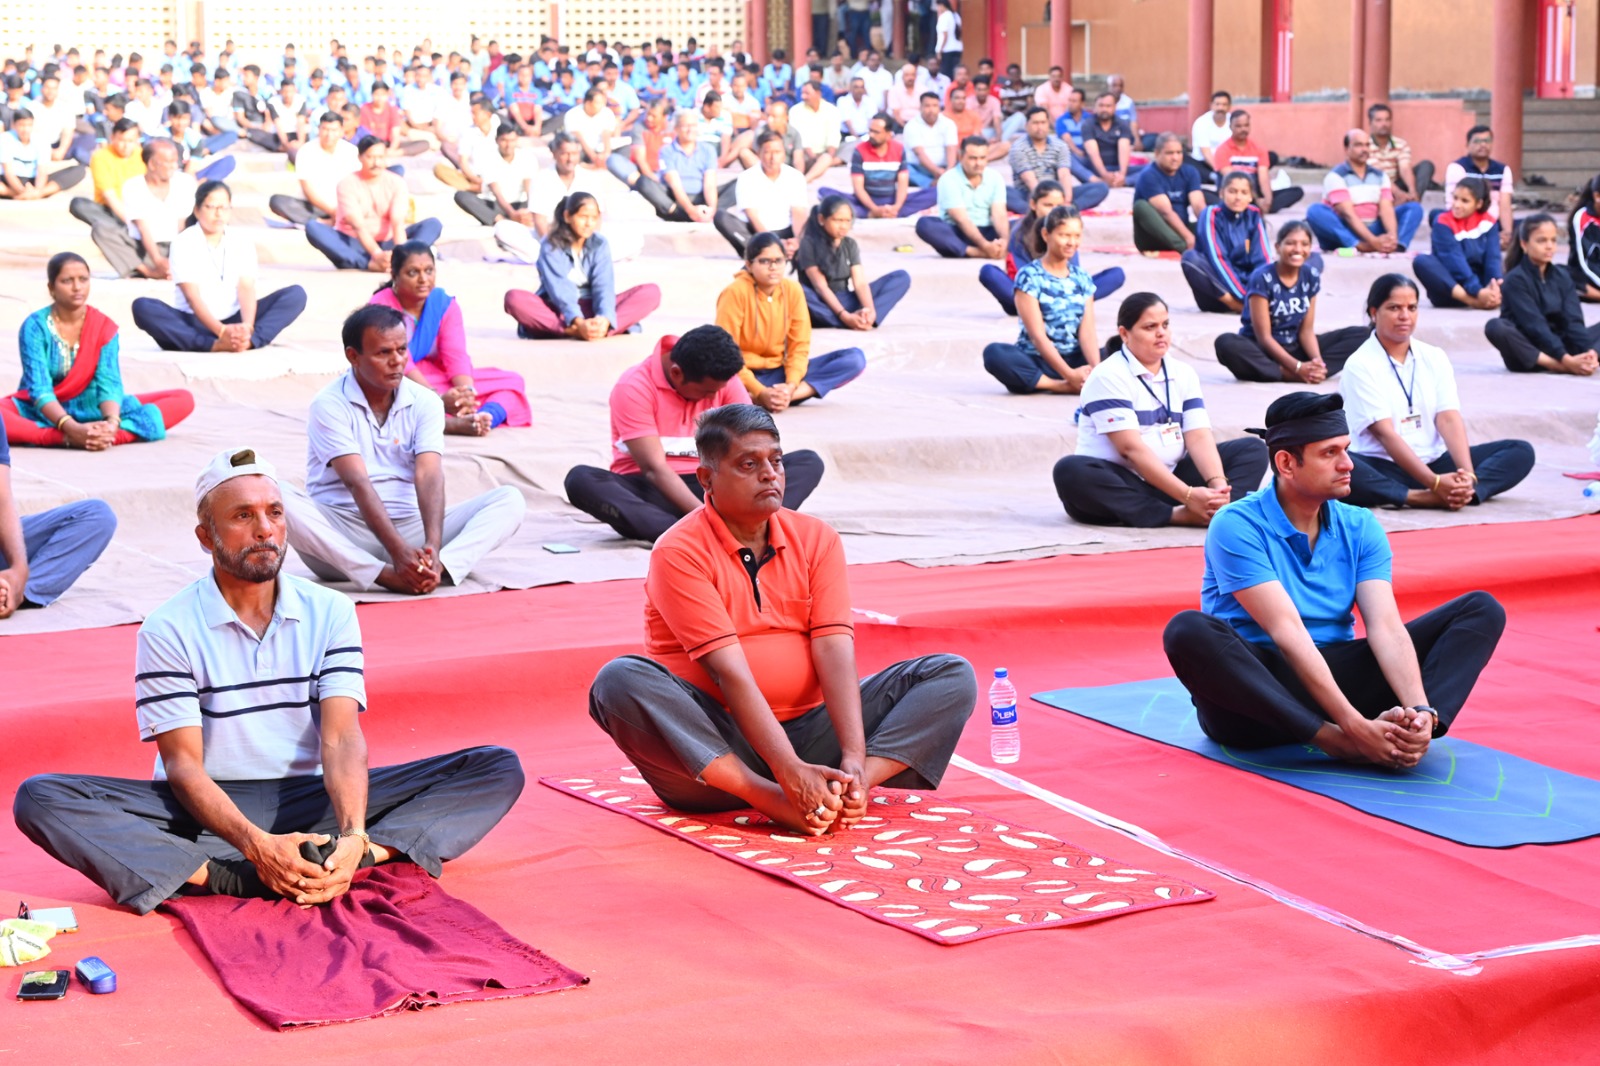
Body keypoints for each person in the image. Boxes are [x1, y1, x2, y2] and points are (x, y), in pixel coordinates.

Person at [13, 445, 524, 911]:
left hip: (312, 796)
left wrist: (351, 834)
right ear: (205, 537)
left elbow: (342, 737)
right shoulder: (168, 626)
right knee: (40, 798)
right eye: (243, 516)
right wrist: (255, 845)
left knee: (495, 767)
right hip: (207, 811)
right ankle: (232, 876)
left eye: (275, 513)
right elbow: (184, 767)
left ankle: (352, 857)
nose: (265, 530)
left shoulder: (331, 610)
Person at [587, 402, 974, 832]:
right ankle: (768, 796)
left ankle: (849, 786)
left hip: (813, 733)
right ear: (706, 479)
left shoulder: (817, 538)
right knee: (619, 680)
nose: (770, 474)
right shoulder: (678, 551)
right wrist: (786, 773)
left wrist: (851, 755)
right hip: (718, 749)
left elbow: (833, 647)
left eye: (776, 461)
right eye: (749, 464)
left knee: (949, 675)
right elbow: (729, 673)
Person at [1161, 391, 1506, 765]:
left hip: (1336, 679)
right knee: (1187, 630)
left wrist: (1419, 707)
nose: (1348, 464)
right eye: (1330, 453)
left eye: (1346, 449)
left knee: (1480, 610)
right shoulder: (1237, 524)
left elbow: (1386, 627)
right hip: (1257, 699)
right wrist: (1351, 730)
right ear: (1286, 463)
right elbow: (1287, 632)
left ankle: (1411, 731)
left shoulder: (1360, 525)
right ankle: (1335, 741)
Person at [284, 305, 525, 594]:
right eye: (383, 353)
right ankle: (381, 575)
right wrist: (397, 553)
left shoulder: (426, 402)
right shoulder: (329, 404)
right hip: (342, 538)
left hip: (411, 528)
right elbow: (357, 482)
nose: (397, 361)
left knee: (509, 500)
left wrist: (433, 548)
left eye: (401, 350)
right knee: (273, 494)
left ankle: (437, 569)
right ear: (353, 356)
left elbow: (429, 477)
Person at [564, 327, 825, 543]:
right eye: (707, 392)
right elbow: (655, 469)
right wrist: (706, 517)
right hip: (653, 490)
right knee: (581, 480)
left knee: (807, 462)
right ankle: (691, 534)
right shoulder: (633, 387)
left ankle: (742, 525)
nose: (714, 398)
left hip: (718, 483)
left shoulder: (725, 381)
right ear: (677, 374)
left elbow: (751, 445)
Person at [1053, 292, 1267, 527]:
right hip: (1124, 483)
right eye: (1150, 326)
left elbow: (1198, 437)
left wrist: (1218, 486)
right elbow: (1130, 450)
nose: (1161, 332)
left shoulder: (1182, 372)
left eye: (1165, 324)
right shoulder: (1108, 376)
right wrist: (1187, 496)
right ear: (1124, 333)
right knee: (1071, 471)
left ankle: (1221, 511)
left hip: (1171, 479)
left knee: (1252, 449)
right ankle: (1177, 515)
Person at [1340, 274, 1534, 510]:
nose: (1405, 316)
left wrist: (1468, 476)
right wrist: (1434, 483)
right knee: (1341, 467)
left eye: (1412, 308)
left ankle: (1465, 493)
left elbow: (1448, 418)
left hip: (1435, 461)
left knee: (1520, 452)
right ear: (1374, 312)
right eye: (1394, 308)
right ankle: (1417, 497)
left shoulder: (1433, 356)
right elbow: (1384, 434)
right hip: (1383, 466)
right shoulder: (1360, 364)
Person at [4, 252, 193, 448]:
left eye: (83, 279)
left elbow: (109, 383)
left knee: (182, 399)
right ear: (51, 287)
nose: (77, 287)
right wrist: (69, 427)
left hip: (92, 407)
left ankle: (106, 436)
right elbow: (39, 389)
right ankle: (64, 438)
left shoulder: (103, 327)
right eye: (67, 281)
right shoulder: (35, 327)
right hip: (42, 410)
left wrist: (111, 423)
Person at [368, 242, 528, 436]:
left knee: (511, 382)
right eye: (413, 273)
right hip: (398, 379)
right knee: (390, 400)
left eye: (429, 271)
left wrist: (465, 394)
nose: (423, 279)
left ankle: (480, 419)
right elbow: (402, 364)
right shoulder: (380, 307)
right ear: (394, 275)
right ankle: (447, 422)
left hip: (437, 376)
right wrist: (436, 399)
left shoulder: (443, 304)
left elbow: (456, 355)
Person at [130, 181, 306, 353]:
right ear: (197, 210)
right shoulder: (184, 242)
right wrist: (221, 332)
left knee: (295, 295)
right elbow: (192, 297)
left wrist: (247, 327)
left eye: (224, 208)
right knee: (143, 307)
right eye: (211, 207)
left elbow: (246, 287)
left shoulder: (241, 241)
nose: (218, 214)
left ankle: (248, 342)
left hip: (235, 319)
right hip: (195, 323)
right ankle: (214, 344)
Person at [716, 232, 867, 411]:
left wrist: (791, 385)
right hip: (742, 375)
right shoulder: (735, 292)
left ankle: (781, 398)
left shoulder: (793, 290)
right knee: (715, 376)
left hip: (778, 374)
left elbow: (799, 346)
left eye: (779, 261)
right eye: (764, 261)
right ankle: (758, 397)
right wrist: (759, 390)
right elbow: (725, 354)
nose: (773, 267)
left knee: (854, 359)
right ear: (749, 264)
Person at [1214, 221, 1369, 383]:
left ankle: (1315, 372)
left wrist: (1317, 362)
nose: (1298, 249)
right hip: (1263, 350)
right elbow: (1264, 338)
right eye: (1290, 243)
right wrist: (1297, 367)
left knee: (1363, 335)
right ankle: (1287, 374)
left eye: (1304, 244)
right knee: (1226, 343)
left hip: (1294, 345)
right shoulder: (1262, 278)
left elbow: (1306, 331)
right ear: (1277, 247)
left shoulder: (1310, 276)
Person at [504, 191, 661, 341]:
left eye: (594, 218)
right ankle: (573, 331)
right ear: (567, 216)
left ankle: (599, 329)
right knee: (514, 298)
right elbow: (560, 290)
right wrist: (577, 322)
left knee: (651, 292)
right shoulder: (550, 245)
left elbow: (603, 286)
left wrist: (604, 318)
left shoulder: (600, 243)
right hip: (558, 309)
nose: (589, 224)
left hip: (593, 308)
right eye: (583, 217)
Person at [982, 204, 1102, 395]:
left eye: (1076, 236)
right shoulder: (1029, 276)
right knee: (995, 354)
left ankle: (1082, 381)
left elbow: (1087, 331)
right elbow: (1037, 336)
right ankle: (1059, 386)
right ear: (1046, 235)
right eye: (1064, 235)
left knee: (1121, 348)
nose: (1072, 242)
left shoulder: (1082, 277)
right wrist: (1070, 376)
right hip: (1037, 361)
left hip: (1075, 357)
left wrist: (1097, 372)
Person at [979, 180, 1125, 314]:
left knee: (1116, 275)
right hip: (1028, 298)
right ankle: (1056, 307)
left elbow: (1074, 274)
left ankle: (1060, 305)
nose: (1053, 211)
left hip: (1064, 293)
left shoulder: (1067, 232)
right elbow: (1021, 276)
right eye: (1048, 205)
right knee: (988, 272)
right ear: (1033, 205)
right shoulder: (1020, 233)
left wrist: (1064, 292)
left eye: (1058, 206)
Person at [1485, 214, 1600, 375]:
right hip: (1530, 352)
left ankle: (1585, 361)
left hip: (1562, 344)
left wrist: (1589, 351)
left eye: (1553, 240)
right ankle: (1558, 366)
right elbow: (1534, 325)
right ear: (1524, 244)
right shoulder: (1515, 280)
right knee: (1496, 326)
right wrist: (1565, 360)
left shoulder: (1562, 276)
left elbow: (1573, 321)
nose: (1549, 246)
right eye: (1542, 241)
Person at [306, 135, 442, 271]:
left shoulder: (396, 182)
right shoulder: (347, 184)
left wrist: (401, 255)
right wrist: (377, 255)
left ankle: (405, 261)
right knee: (313, 228)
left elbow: (397, 223)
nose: (376, 162)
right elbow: (358, 226)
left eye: (380, 157)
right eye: (370, 157)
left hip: (390, 242)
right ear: (360, 157)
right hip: (355, 244)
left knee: (433, 224)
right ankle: (367, 264)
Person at [794, 194, 912, 330]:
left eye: (847, 221)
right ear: (822, 219)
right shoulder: (808, 244)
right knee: (798, 290)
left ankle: (866, 319)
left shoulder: (850, 244)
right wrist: (844, 316)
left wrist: (869, 310)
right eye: (838, 220)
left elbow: (860, 283)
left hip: (846, 299)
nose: (844, 226)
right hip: (821, 304)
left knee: (901, 277)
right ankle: (843, 322)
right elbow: (822, 288)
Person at [1307, 129, 1422, 253]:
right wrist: (1372, 241)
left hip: (1373, 227)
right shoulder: (1336, 176)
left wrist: (1391, 237)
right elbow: (1348, 214)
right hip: (1346, 231)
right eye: (1358, 145)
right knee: (1315, 211)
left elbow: (1386, 209)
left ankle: (1395, 247)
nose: (1364, 149)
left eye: (1367, 145)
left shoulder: (1380, 176)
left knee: (1414, 208)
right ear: (1346, 149)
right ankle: (1360, 246)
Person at [1181, 172, 1269, 313]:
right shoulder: (1210, 214)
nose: (1238, 197)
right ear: (1222, 193)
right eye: (1232, 191)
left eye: (1244, 192)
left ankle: (1251, 306)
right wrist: (1243, 297)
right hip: (1218, 292)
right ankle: (1237, 306)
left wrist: (1262, 293)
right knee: (1190, 258)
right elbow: (1218, 259)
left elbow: (1263, 259)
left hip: (1249, 290)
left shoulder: (1254, 215)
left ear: (1250, 196)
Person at [714, 129, 810, 257]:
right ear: (758, 153)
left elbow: (798, 213)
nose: (773, 157)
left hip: (786, 230)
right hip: (757, 233)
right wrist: (774, 243)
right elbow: (752, 216)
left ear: (784, 153)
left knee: (818, 218)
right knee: (721, 217)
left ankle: (772, 252)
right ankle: (763, 252)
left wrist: (797, 241)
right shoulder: (746, 177)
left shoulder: (795, 176)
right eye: (767, 152)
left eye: (777, 152)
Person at [1411, 176, 1503, 310]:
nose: (1457, 204)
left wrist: (1494, 287)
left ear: (1478, 204)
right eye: (1455, 198)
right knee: (1421, 261)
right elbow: (1453, 259)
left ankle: (1492, 298)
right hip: (1452, 290)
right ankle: (1473, 302)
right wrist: (1477, 292)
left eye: (1465, 201)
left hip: (1482, 286)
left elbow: (1493, 258)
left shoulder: (1489, 222)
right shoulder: (1443, 222)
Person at [914, 135, 1008, 259]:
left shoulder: (995, 177)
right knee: (925, 224)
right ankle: (974, 252)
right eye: (973, 158)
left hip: (988, 230)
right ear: (961, 156)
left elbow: (999, 214)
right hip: (958, 233)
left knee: (1025, 224)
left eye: (982, 158)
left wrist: (1005, 241)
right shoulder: (949, 179)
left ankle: (1001, 250)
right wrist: (985, 246)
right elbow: (961, 219)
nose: (978, 163)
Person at [628, 109, 728, 222]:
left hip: (702, 196)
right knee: (643, 182)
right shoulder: (667, 151)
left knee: (739, 183)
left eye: (693, 125)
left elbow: (709, 184)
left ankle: (710, 214)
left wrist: (712, 209)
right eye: (685, 126)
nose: (690, 130)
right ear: (676, 129)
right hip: (676, 199)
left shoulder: (708, 150)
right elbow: (676, 186)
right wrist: (691, 211)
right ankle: (684, 215)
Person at [1007, 106, 1108, 215]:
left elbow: (1064, 174)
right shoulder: (1018, 147)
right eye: (1035, 123)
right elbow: (1029, 180)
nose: (1040, 127)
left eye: (1043, 122)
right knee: (1003, 192)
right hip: (1029, 194)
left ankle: (1069, 209)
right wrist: (1044, 201)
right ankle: (1035, 210)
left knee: (1101, 187)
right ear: (1026, 126)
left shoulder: (1060, 145)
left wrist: (1067, 200)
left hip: (1057, 195)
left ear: (1048, 124)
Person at [268, 110, 358, 226]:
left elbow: (356, 184)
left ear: (341, 131)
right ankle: (324, 222)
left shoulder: (351, 151)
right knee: (277, 202)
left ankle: (325, 222)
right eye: (325, 129)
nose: (329, 134)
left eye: (334, 130)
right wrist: (332, 211)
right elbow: (307, 189)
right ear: (319, 129)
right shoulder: (306, 151)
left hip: (344, 205)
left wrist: (343, 209)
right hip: (314, 206)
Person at [848, 112, 937, 218]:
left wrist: (896, 207)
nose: (871, 135)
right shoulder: (859, 150)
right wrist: (874, 209)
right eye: (870, 130)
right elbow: (858, 188)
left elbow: (903, 184)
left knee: (938, 192)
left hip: (891, 199)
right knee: (826, 193)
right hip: (866, 201)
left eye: (876, 132)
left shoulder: (899, 149)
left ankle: (887, 213)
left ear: (888, 134)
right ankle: (874, 213)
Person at [1212, 108, 1301, 214]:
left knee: (1297, 192)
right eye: (1238, 126)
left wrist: (1268, 200)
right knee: (1208, 196)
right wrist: (1254, 199)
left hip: (1254, 190)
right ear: (1230, 127)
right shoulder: (1222, 150)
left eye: (1246, 125)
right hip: (1233, 193)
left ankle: (1259, 207)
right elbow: (1233, 180)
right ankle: (1253, 206)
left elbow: (1263, 178)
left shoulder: (1259, 149)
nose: (1243, 129)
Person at [1443, 126, 1516, 251]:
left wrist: (1507, 233)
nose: (1482, 145)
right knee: (1437, 217)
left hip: (1494, 222)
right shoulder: (1457, 167)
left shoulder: (1503, 170)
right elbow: (1455, 203)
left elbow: (1505, 205)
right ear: (1467, 144)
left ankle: (1497, 241)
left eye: (1486, 141)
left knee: (1527, 225)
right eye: (1477, 141)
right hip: (1465, 221)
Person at [1132, 134, 1206, 253]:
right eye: (1169, 153)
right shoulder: (1149, 175)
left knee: (1210, 216)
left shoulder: (1190, 172)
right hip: (1153, 237)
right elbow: (1166, 212)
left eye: (1179, 152)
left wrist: (1210, 231)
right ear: (1157, 153)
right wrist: (1189, 237)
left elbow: (1198, 205)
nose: (1175, 157)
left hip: (1182, 228)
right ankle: (1184, 249)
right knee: (1140, 206)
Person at [453, 123, 535, 226]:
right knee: (461, 196)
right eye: (504, 140)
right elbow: (496, 191)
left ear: (516, 140)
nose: (508, 145)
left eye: (512, 140)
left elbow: (529, 187)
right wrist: (512, 213)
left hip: (521, 204)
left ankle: (524, 218)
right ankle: (499, 220)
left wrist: (528, 210)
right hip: (497, 205)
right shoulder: (488, 158)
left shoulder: (526, 157)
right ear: (497, 140)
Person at [0, 109, 84, 199]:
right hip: (10, 181)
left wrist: (37, 190)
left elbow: (42, 170)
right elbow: (8, 171)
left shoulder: (41, 140)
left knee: (79, 170)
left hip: (34, 179)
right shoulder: (5, 139)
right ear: (14, 125)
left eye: (29, 125)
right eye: (21, 125)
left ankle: (39, 193)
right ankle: (13, 193)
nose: (25, 129)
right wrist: (20, 190)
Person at [1366, 103, 1432, 206]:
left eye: (1387, 120)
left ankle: (1414, 200)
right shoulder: (1365, 146)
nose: (1384, 124)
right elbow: (1380, 175)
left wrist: (1412, 191)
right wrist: (1399, 194)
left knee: (1426, 166)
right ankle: (1400, 202)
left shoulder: (1400, 144)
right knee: (1374, 178)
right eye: (1379, 120)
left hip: (1396, 184)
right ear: (1370, 123)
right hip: (1377, 187)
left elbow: (1405, 169)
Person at [902, 91, 958, 188]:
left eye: (935, 106)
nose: (931, 110)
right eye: (927, 106)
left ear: (939, 107)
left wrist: (949, 171)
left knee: (964, 164)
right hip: (920, 169)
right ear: (920, 107)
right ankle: (931, 184)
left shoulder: (948, 123)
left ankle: (944, 180)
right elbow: (919, 153)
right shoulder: (911, 125)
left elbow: (951, 149)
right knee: (905, 169)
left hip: (945, 167)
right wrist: (937, 171)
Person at [788, 81, 842, 181]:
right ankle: (825, 165)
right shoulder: (795, 111)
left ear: (818, 94)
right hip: (804, 153)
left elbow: (833, 135)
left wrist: (829, 154)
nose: (803, 96)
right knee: (797, 154)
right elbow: (800, 137)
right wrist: (813, 156)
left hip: (825, 153)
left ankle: (806, 179)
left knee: (850, 147)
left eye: (807, 93)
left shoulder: (832, 110)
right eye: (802, 93)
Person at [1082, 92, 1137, 188]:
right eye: (1101, 105)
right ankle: (1097, 181)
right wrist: (1104, 174)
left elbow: (1124, 149)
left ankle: (1124, 181)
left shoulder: (1122, 123)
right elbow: (1093, 153)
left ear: (1115, 107)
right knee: (1070, 158)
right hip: (1094, 169)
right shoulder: (1088, 124)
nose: (1104, 109)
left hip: (1117, 168)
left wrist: (1122, 174)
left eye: (1108, 106)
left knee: (1152, 167)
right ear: (1095, 108)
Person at [1571, 172, 1600, 301]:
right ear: (1597, 196)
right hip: (1588, 275)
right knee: (1564, 275)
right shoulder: (1583, 217)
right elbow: (1586, 262)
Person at [1189, 91, 1233, 173]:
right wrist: (1221, 171)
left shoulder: (1233, 121)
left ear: (1229, 106)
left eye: (1224, 105)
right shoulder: (1202, 123)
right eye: (1217, 104)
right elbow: (1206, 153)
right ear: (1211, 106)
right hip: (1204, 164)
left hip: (1227, 164)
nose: (1220, 108)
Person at [934, 0, 964, 78]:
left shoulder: (944, 17)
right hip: (957, 48)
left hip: (947, 49)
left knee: (946, 74)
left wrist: (940, 51)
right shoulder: (956, 15)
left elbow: (945, 35)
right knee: (954, 73)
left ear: (942, 5)